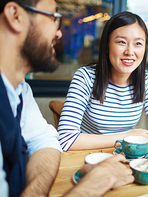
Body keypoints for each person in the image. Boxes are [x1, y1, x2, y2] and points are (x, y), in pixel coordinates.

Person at [0, 0, 133, 196]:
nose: (59, 33)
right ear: (15, 16)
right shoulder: (86, 76)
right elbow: (63, 139)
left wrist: (34, 192)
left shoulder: (20, 90)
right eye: (54, 18)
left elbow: (44, 140)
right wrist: (93, 185)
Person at [57, 11, 148, 151]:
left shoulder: (146, 80)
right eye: (121, 42)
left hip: (125, 158)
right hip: (88, 158)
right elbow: (66, 139)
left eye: (138, 43)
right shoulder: (85, 78)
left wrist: (130, 138)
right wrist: (126, 137)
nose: (130, 52)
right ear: (107, 45)